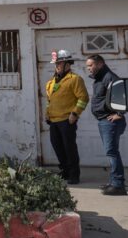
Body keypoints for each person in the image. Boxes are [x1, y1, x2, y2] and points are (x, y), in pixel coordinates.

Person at [45, 50, 89, 185]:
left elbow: (83, 98)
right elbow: (50, 100)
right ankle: (65, 171)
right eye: (56, 63)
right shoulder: (51, 81)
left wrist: (75, 113)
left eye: (59, 63)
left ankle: (74, 175)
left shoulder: (75, 79)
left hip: (67, 120)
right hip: (54, 120)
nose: (57, 66)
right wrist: (47, 114)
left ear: (67, 64)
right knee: (57, 146)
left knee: (69, 148)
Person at [86, 54, 126, 196]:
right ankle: (113, 182)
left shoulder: (110, 77)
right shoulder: (100, 78)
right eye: (88, 66)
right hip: (104, 121)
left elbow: (124, 95)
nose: (88, 68)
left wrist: (120, 114)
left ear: (100, 64)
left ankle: (118, 185)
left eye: (90, 65)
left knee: (112, 152)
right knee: (111, 152)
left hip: (111, 122)